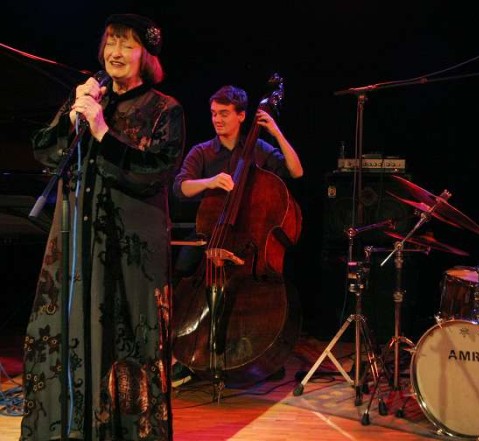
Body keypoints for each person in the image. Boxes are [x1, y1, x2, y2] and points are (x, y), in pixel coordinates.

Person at [20, 13, 185, 440]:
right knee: (69, 331)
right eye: (111, 42)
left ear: (145, 57)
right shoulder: (93, 100)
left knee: (125, 340)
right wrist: (72, 116)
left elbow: (155, 173)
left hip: (130, 247)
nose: (115, 52)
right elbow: (45, 152)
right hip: (77, 242)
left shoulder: (165, 109)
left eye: (127, 45)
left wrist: (102, 131)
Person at [169, 84, 303, 385]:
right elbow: (180, 188)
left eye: (225, 114)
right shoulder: (202, 152)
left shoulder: (257, 149)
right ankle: (181, 356)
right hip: (209, 236)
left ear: (242, 116)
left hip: (247, 242)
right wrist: (210, 182)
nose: (217, 119)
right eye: (214, 113)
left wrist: (277, 133)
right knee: (181, 274)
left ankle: (254, 355)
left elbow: (296, 172)